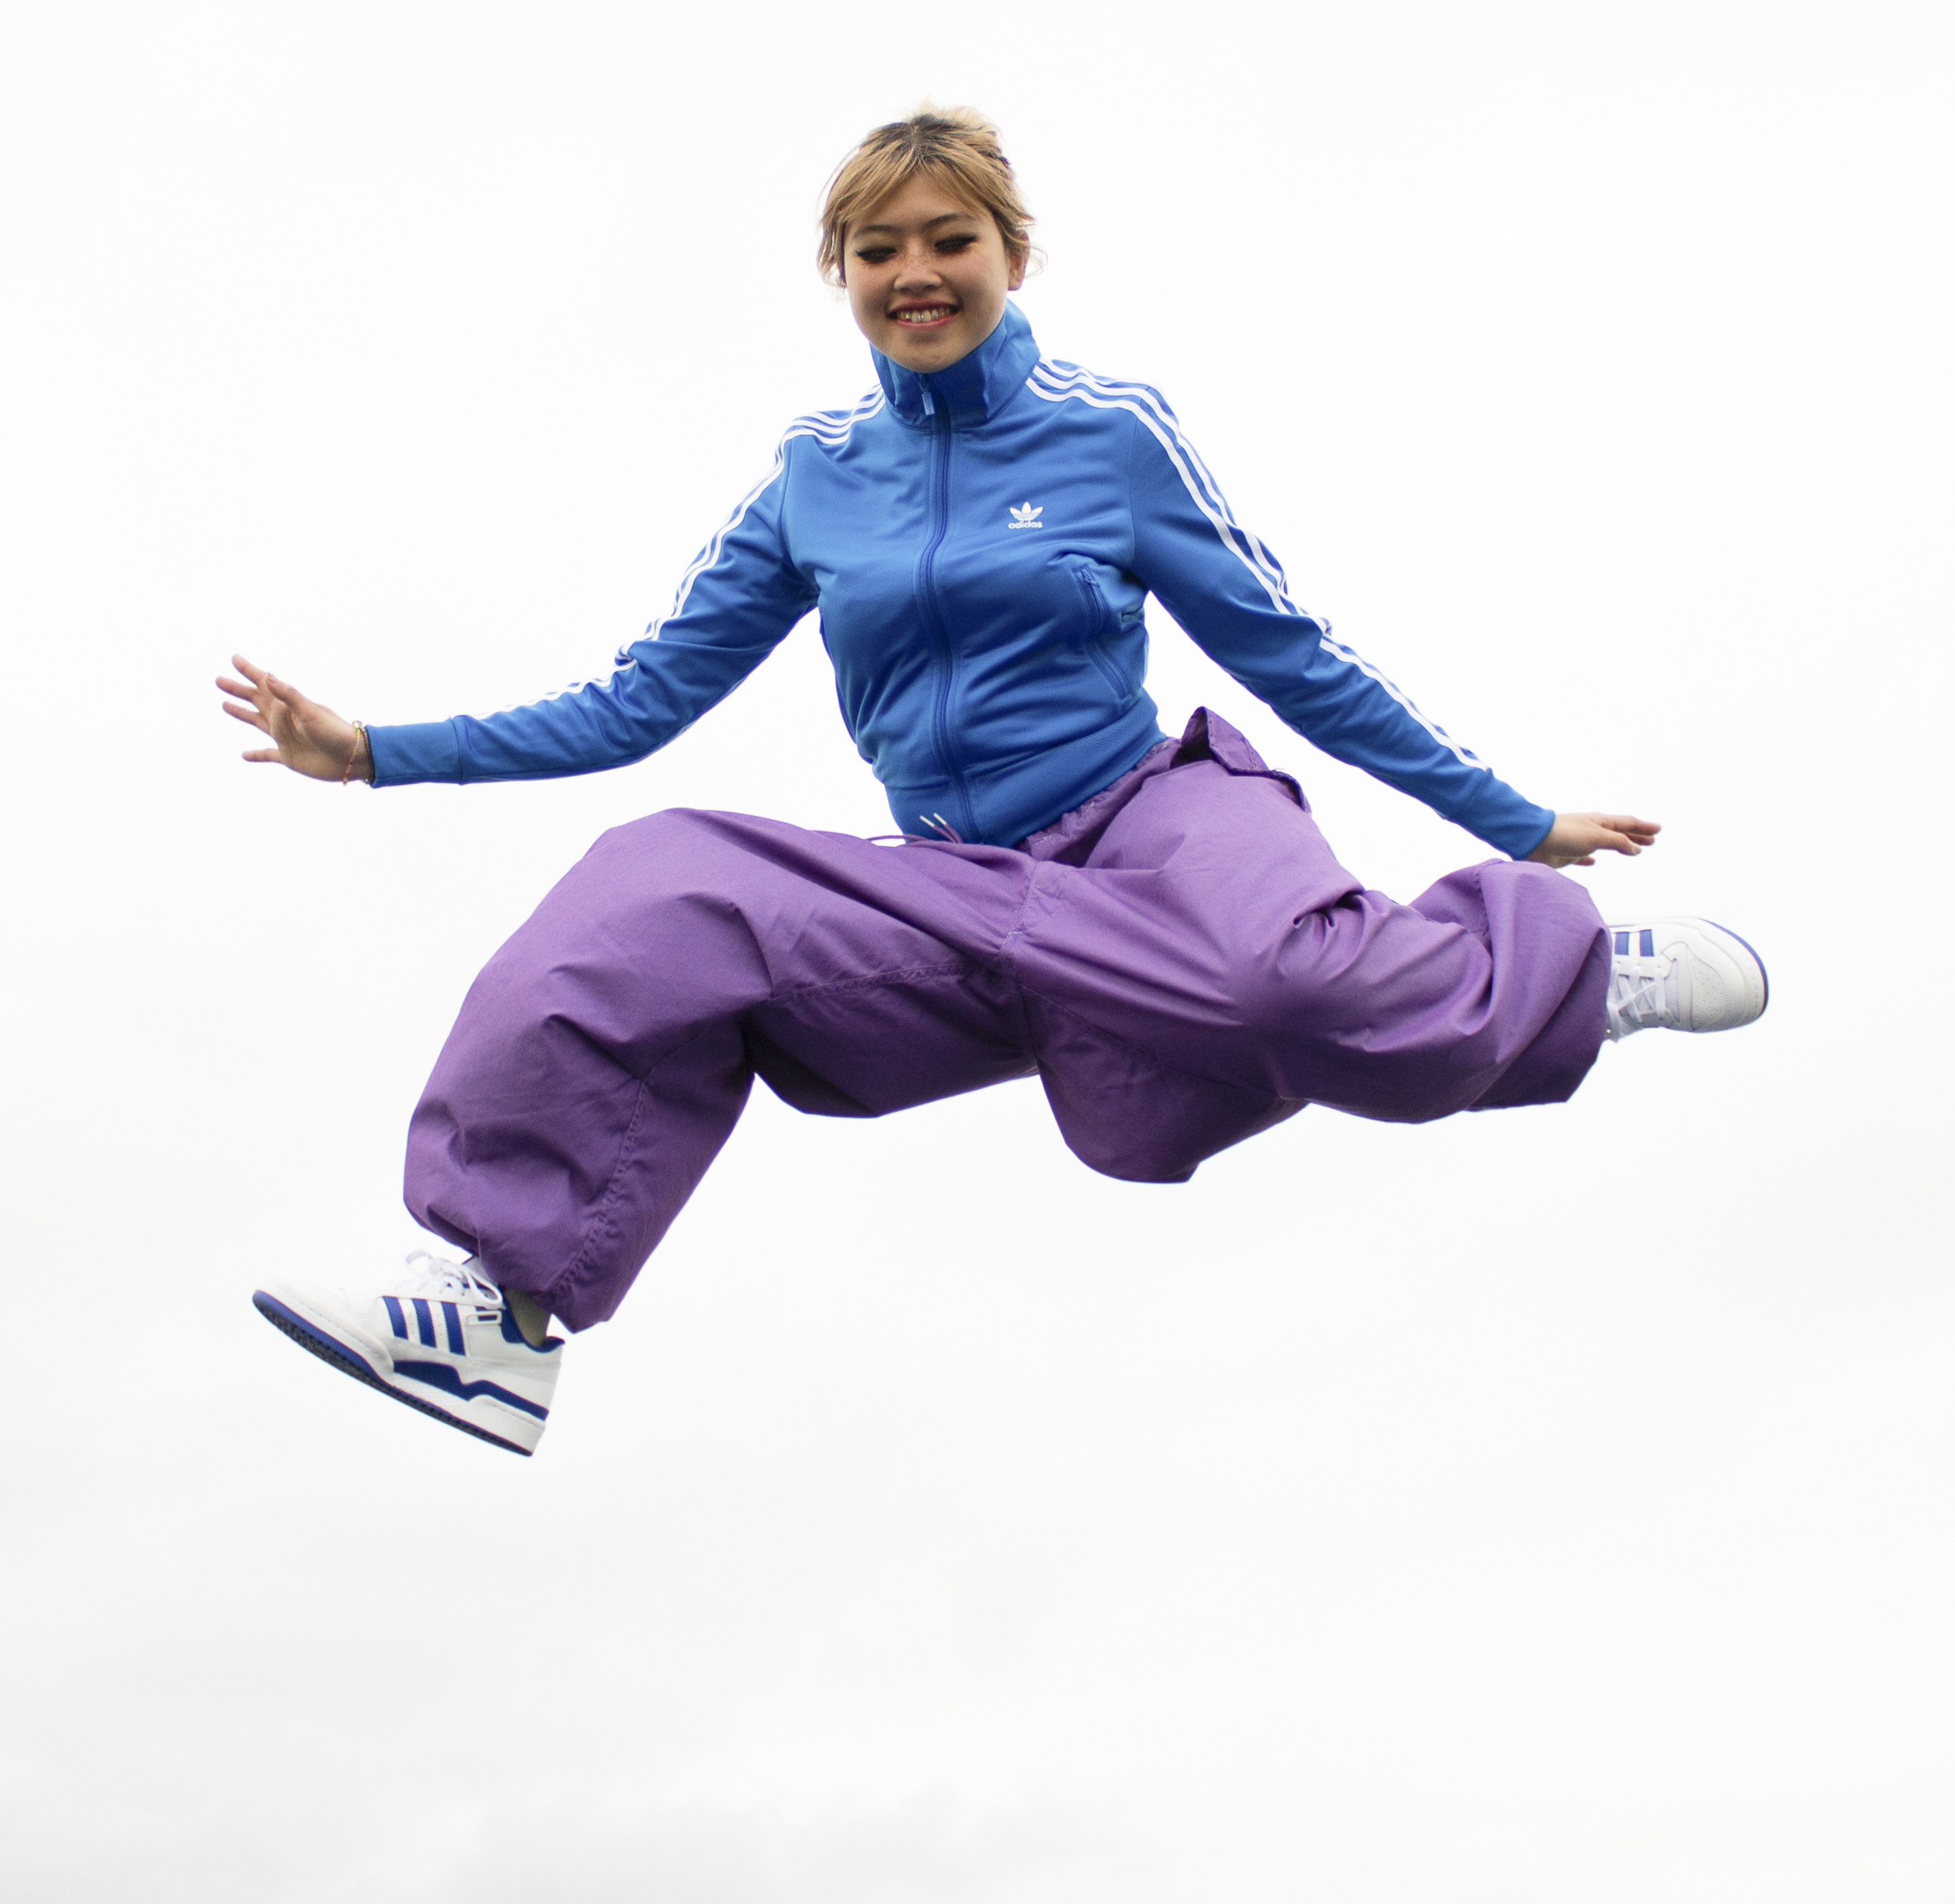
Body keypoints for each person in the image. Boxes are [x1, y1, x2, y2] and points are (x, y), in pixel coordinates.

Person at [220, 109, 1767, 1458]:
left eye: (948, 239)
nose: (916, 272)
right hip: (964, 888)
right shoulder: (812, 476)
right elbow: (639, 700)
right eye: (877, 248)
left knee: (1285, 982)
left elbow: (1291, 652)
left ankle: (1575, 969)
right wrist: (373, 753)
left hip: (1156, 820)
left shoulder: (1107, 435)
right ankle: (494, 1309)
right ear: (838, 273)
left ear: (1012, 254)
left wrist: (1513, 820)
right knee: (651, 891)